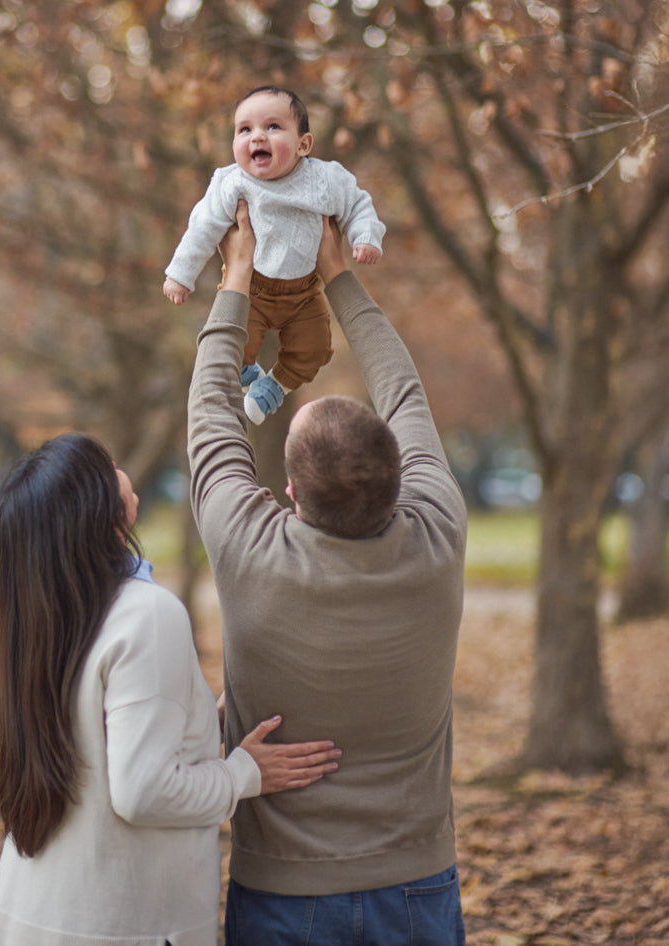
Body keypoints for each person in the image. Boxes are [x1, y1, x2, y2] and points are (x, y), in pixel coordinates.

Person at [187, 204, 467, 946]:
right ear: (403, 477)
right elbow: (405, 393)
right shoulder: (437, 534)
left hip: (284, 899)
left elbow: (212, 414)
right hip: (419, 891)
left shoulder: (251, 554)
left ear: (289, 494)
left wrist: (238, 276)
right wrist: (340, 274)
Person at [0, 432, 341, 946]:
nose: (120, 464)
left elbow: (95, 737)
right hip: (119, 925)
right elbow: (144, 791)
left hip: (35, 912)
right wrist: (242, 773)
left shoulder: (41, 619)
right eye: (106, 465)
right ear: (102, 515)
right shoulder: (144, 613)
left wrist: (202, 719)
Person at [164, 86, 385, 424]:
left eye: (272, 127)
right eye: (245, 129)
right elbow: (202, 228)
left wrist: (365, 237)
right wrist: (181, 273)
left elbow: (358, 204)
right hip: (251, 290)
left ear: (303, 144)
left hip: (304, 292)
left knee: (316, 348)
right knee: (231, 348)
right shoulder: (231, 183)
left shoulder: (324, 180)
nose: (257, 137)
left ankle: (275, 386)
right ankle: (247, 373)